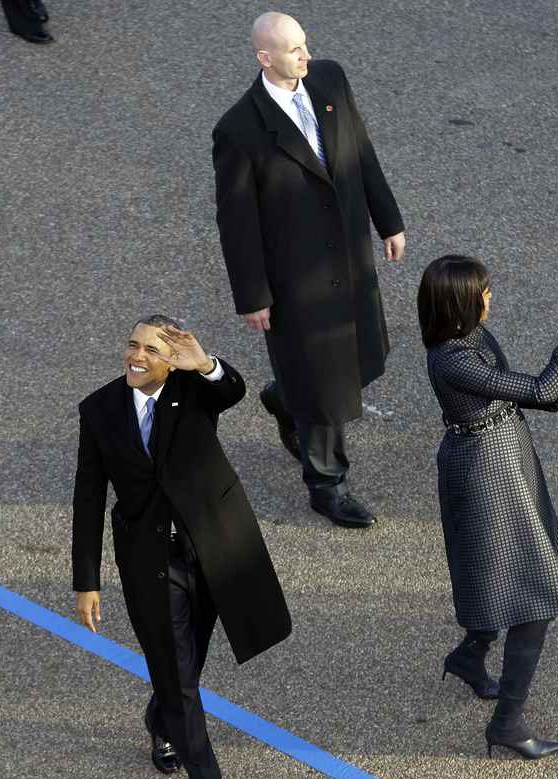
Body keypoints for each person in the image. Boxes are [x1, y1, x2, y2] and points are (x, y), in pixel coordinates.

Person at [72, 315, 291, 779]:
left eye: (150, 349)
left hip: (213, 551)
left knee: (182, 667)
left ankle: (159, 716)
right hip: (150, 563)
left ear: (172, 358)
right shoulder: (99, 410)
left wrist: (208, 365)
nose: (136, 356)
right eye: (132, 344)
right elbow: (88, 497)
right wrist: (87, 581)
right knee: (181, 682)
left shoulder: (195, 390)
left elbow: (234, 390)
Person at [212, 11, 406, 529]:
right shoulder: (239, 131)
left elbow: (359, 151)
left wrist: (389, 221)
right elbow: (237, 223)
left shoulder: (329, 79)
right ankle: (327, 485)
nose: (306, 55)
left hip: (348, 259)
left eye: (305, 45)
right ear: (264, 58)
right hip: (295, 280)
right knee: (324, 384)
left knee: (350, 363)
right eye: (294, 49)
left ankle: (284, 397)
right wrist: (253, 295)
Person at [417, 255, 558, 759]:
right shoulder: (452, 358)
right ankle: (507, 722)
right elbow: (536, 384)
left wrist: (550, 400)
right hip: (486, 471)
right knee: (533, 594)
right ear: (460, 304)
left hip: (504, 452)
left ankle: (469, 655)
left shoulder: (470, 340)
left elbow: (518, 391)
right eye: (482, 292)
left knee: (503, 573)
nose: (490, 298)